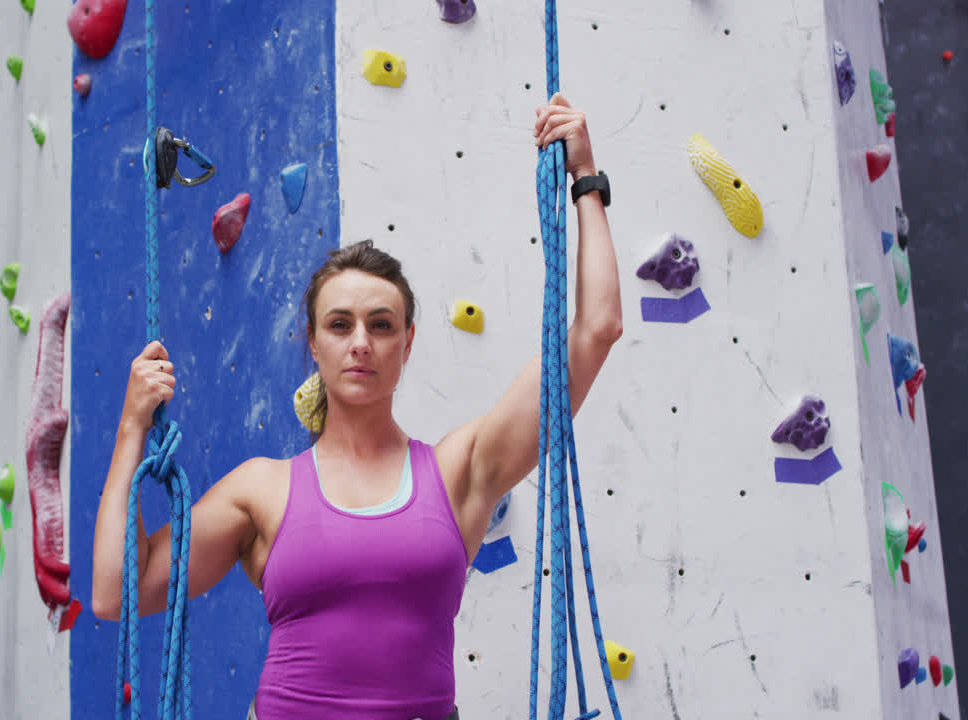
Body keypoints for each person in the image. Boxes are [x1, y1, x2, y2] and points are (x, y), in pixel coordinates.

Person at [91, 93, 623, 720]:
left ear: (408, 343)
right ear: (312, 343)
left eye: (381, 324)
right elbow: (115, 591)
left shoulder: (459, 471)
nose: (361, 343)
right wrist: (132, 428)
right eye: (340, 325)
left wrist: (585, 178)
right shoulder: (262, 491)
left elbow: (597, 329)